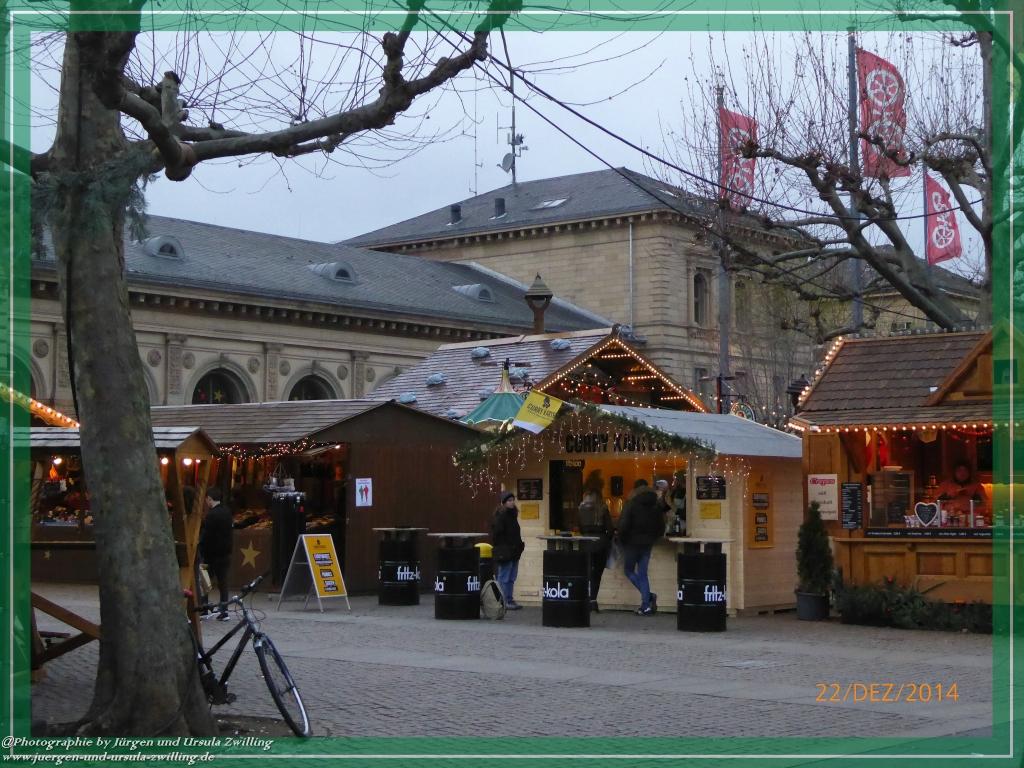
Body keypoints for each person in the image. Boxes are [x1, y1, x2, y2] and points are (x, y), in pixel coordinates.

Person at [617, 479, 665, 616]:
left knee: (628, 570)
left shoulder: (631, 504)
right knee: (643, 574)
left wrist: (622, 538)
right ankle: (646, 605)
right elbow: (661, 526)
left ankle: (648, 598)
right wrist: (653, 538)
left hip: (631, 543)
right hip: (647, 544)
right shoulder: (655, 504)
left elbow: (623, 525)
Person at [579, 472, 614, 613]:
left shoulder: (581, 509)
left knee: (586, 573)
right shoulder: (603, 509)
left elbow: (578, 527)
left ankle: (585, 599)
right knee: (597, 574)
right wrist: (607, 538)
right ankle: (593, 600)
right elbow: (610, 529)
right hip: (600, 544)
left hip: (585, 543)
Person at [199, 487, 233, 620]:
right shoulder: (227, 512)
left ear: (209, 499)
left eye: (206, 499)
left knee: (205, 582)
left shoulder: (211, 515)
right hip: (225, 553)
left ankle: (204, 608)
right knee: (223, 582)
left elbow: (207, 536)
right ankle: (224, 611)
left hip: (211, 554)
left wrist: (201, 547)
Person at [491, 491, 525, 610]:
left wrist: (519, 546)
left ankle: (509, 599)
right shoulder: (501, 516)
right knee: (504, 577)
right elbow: (496, 535)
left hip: (514, 550)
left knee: (511, 577)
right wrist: (503, 547)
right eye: (509, 501)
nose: (512, 502)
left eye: (512, 500)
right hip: (505, 551)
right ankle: (502, 600)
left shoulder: (513, 514)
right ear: (504, 503)